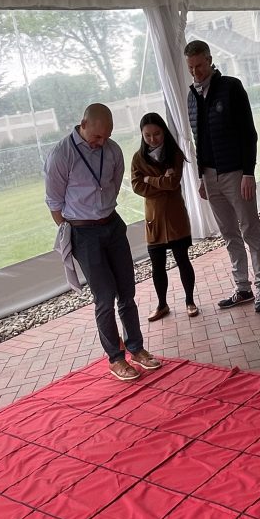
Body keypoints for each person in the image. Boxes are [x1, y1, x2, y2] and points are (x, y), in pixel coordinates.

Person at [44, 103, 160, 382]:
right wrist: (73, 228)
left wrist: (102, 213)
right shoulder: (62, 154)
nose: (102, 142)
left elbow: (114, 182)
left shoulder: (112, 150)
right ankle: (116, 358)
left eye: (107, 135)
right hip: (83, 232)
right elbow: (54, 202)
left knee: (127, 291)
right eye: (97, 137)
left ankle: (136, 347)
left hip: (112, 225)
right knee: (105, 297)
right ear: (83, 125)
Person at [184, 39, 260, 313]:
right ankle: (242, 287)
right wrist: (200, 176)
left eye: (200, 65)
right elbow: (199, 140)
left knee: (251, 230)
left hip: (236, 173)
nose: (196, 72)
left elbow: (249, 133)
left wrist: (249, 172)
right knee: (229, 234)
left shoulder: (231, 87)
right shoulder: (192, 96)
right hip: (210, 176)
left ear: (210, 60)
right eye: (191, 68)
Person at [130, 112, 199, 321]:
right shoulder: (138, 158)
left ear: (164, 132)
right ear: (142, 135)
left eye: (157, 134)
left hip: (175, 218)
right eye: (147, 135)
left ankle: (190, 301)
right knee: (157, 266)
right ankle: (162, 305)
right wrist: (159, 180)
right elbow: (136, 186)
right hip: (154, 221)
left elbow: (172, 183)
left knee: (182, 260)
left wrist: (149, 179)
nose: (152, 139)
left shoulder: (174, 154)